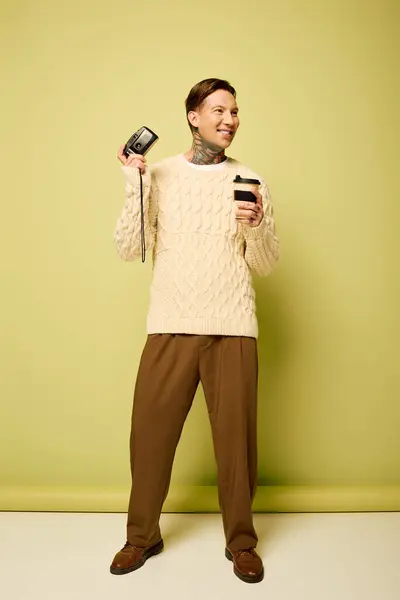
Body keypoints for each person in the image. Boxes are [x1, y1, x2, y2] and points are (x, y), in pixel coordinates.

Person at [110, 78, 280, 584]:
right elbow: (129, 247)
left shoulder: (250, 178)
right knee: (150, 439)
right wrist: (133, 182)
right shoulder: (157, 175)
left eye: (234, 111)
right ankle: (141, 536)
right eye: (219, 110)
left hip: (232, 325)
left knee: (236, 444)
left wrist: (257, 225)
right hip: (170, 323)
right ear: (194, 116)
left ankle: (242, 542)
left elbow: (267, 264)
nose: (230, 119)